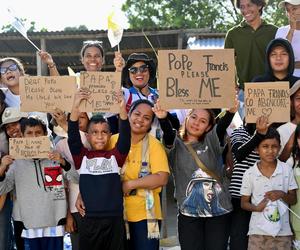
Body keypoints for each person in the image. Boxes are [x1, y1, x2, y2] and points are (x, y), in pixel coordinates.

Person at [153, 99, 238, 250]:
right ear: (186, 117)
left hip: (219, 213)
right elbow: (168, 134)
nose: (196, 123)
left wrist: (231, 112)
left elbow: (221, 127)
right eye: (193, 117)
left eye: (203, 121)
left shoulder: (212, 140)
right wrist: (162, 118)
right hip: (189, 214)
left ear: (208, 127)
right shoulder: (176, 142)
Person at [67, 88, 130, 250]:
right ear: (87, 136)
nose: (100, 136)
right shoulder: (82, 158)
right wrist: (75, 107)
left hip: (114, 220)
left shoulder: (116, 157)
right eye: (94, 132)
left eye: (104, 132)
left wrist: (122, 109)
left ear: (110, 135)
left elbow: (125, 138)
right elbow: (73, 137)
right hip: (89, 221)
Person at [0, 116, 71, 250]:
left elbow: (75, 179)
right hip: (28, 226)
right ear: (22, 136)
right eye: (29, 133)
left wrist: (63, 162)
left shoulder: (55, 159)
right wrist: (2, 168)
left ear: (45, 135)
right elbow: (2, 189)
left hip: (54, 224)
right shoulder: (16, 163)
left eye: (38, 133)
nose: (34, 137)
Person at [108, 99, 169, 250]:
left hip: (146, 216)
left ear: (151, 124)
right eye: (137, 114)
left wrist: (130, 184)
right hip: (116, 213)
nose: (140, 120)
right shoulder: (112, 140)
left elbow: (162, 177)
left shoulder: (155, 145)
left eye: (147, 118)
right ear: (128, 114)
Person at [240, 127, 297, 250]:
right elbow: (244, 203)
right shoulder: (249, 173)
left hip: (283, 233)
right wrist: (256, 208)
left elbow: (293, 199)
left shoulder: (286, 169)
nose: (270, 151)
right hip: (257, 233)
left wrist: (282, 194)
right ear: (256, 149)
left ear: (279, 147)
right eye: (265, 146)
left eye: (274, 146)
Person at [224, 0, 277, 118]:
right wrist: (233, 86)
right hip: (244, 92)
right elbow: (226, 64)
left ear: (259, 5)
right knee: (248, 133)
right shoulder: (233, 34)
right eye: (242, 7)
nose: (245, 10)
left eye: (249, 5)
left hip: (271, 91)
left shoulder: (274, 31)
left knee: (272, 133)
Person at [228, 116, 269, 250]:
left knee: (261, 240)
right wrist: (259, 135)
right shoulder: (239, 132)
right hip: (240, 196)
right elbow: (239, 154)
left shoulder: (270, 132)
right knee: (239, 239)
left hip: (263, 196)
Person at [0, 107, 27, 250]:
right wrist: (4, 167)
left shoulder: (44, 145)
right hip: (19, 213)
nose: (12, 129)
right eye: (8, 127)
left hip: (43, 213)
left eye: (15, 123)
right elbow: (5, 187)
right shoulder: (9, 154)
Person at [277, 79, 300, 248]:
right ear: (292, 102)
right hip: (291, 201)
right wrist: (291, 143)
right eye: (298, 98)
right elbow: (275, 165)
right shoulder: (282, 130)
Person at [276, 0, 300, 77]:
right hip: (288, 80)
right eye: (288, 10)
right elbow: (279, 57)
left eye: (294, 9)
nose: (291, 13)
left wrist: (290, 63)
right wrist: (291, 30)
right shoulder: (281, 31)